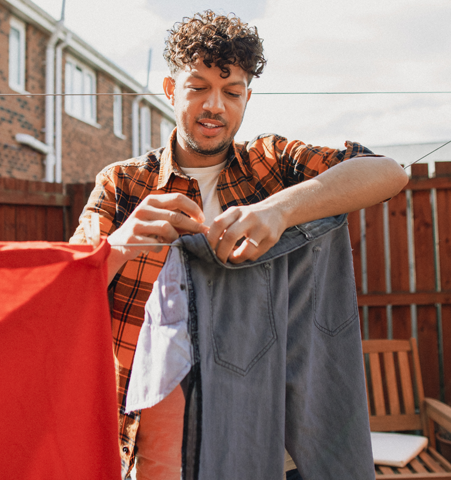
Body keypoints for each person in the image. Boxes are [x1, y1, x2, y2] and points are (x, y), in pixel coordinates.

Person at [69, 10, 408, 479]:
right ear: (171, 90)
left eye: (232, 92)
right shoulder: (124, 184)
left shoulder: (269, 166)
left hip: (260, 425)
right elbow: (67, 294)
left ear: (247, 96)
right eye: (198, 88)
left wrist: (281, 210)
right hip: (154, 440)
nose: (215, 107)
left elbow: (388, 172)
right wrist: (123, 243)